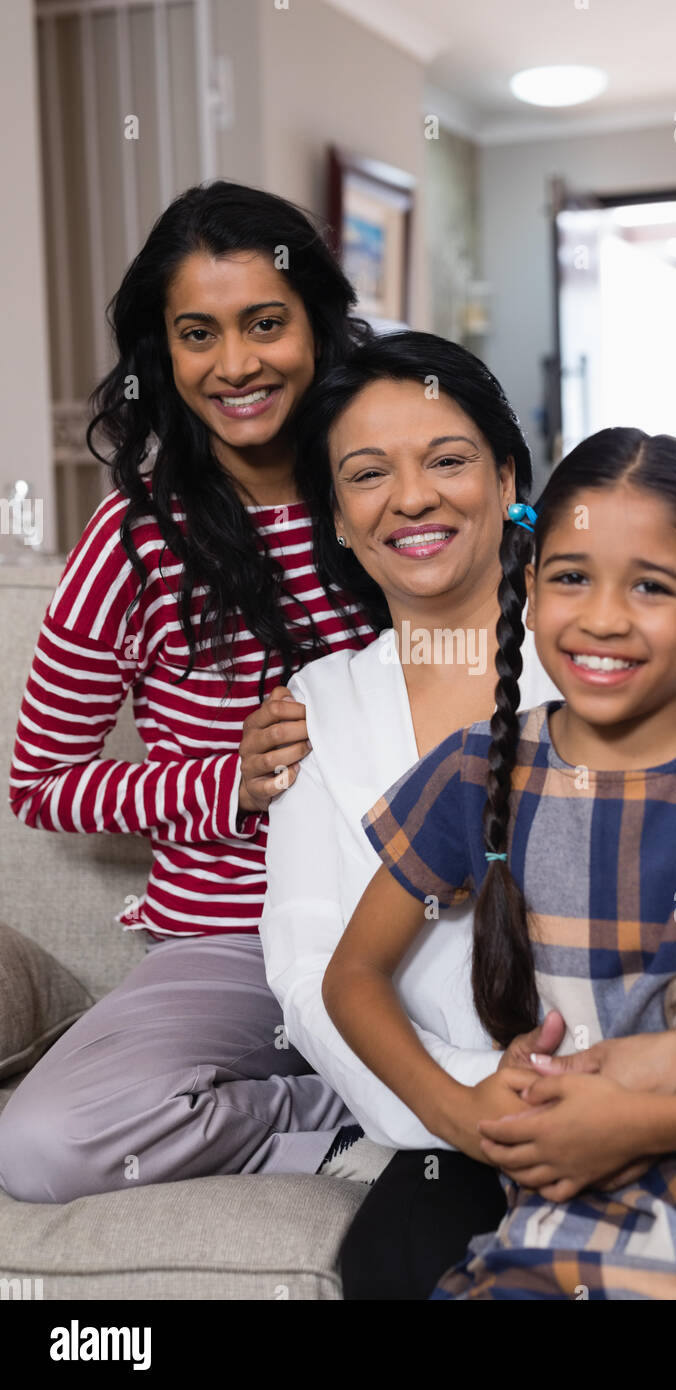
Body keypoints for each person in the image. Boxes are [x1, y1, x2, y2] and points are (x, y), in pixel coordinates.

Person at [258, 334, 676, 1297]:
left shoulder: (650, 652)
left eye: (447, 459)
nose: (413, 497)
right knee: (400, 1264)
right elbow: (316, 976)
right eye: (366, 474)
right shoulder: (317, 710)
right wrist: (476, 1105)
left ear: (510, 478)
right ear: (339, 520)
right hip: (465, 1123)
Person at [0, 180, 382, 1202]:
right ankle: (345, 1116)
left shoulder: (397, 493)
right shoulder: (132, 540)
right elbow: (41, 781)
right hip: (232, 948)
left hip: (414, 928)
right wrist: (226, 781)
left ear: (318, 327)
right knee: (42, 1145)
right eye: (197, 332)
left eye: (266, 323)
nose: (236, 363)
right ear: (161, 356)